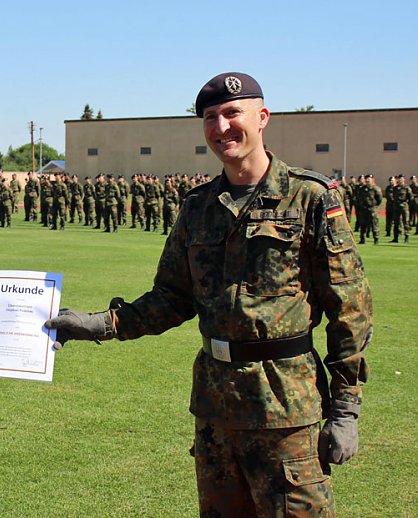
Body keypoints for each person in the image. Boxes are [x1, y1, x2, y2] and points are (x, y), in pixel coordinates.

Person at [45, 73, 372, 516]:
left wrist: (346, 407)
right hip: (216, 411)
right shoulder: (198, 206)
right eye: (211, 117)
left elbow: (349, 309)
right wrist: (98, 324)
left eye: (232, 113)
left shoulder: (309, 197)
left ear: (262, 117)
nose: (221, 128)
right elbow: (171, 298)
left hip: (286, 411)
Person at [390, 174, 412, 243]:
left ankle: (406, 237)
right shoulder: (395, 188)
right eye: (399, 179)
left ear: (404, 180)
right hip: (396, 206)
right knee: (396, 222)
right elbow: (393, 196)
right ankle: (395, 238)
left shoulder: (406, 188)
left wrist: (406, 203)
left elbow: (410, 197)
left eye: (401, 178)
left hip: (404, 205)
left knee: (405, 222)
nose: (400, 180)